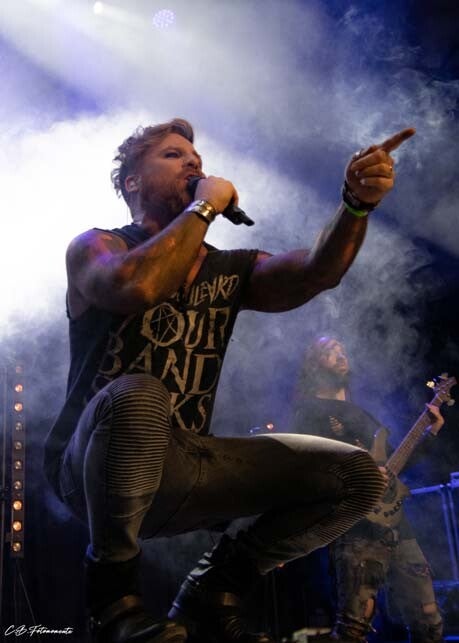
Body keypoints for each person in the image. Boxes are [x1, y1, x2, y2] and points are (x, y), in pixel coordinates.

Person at [43, 118, 414, 643]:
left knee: (358, 476)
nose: (193, 164)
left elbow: (316, 272)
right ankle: (114, 600)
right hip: (90, 471)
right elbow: (136, 288)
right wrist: (203, 209)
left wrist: (355, 205)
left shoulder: (228, 269)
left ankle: (216, 589)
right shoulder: (96, 246)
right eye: (173, 155)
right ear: (132, 181)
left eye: (196, 159)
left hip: (183, 465)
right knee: (140, 393)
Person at [290, 336, 445, 643]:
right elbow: (310, 468)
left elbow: (394, 464)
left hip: (397, 526)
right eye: (330, 352)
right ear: (314, 365)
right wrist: (360, 474)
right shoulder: (308, 411)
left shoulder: (361, 412)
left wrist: (431, 432)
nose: (341, 355)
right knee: (354, 626)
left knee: (429, 619)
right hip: (357, 528)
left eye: (342, 350)